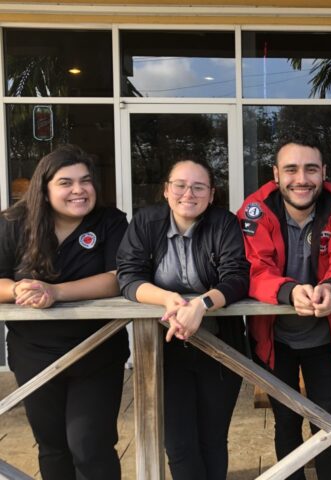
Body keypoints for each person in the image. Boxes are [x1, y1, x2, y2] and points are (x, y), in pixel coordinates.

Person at [0, 145, 129, 480]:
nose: (78, 190)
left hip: (97, 351)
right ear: (44, 189)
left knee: (90, 445)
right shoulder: (13, 223)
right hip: (34, 354)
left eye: (85, 181)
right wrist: (18, 290)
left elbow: (117, 279)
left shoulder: (110, 221)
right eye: (66, 182)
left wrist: (54, 292)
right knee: (52, 446)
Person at [116, 158, 249, 480]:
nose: (188, 193)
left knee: (213, 440)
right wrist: (168, 299)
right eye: (180, 185)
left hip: (221, 348)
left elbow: (237, 278)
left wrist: (201, 304)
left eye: (198, 186)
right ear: (166, 190)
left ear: (211, 193)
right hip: (164, 350)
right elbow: (128, 276)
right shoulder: (146, 222)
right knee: (178, 444)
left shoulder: (224, 223)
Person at [237, 135, 331, 480]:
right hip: (274, 339)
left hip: (326, 335)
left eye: (310, 169)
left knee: (328, 424)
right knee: (286, 422)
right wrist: (288, 291)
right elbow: (252, 269)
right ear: (276, 174)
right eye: (291, 169)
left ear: (324, 172)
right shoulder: (255, 209)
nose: (301, 178)